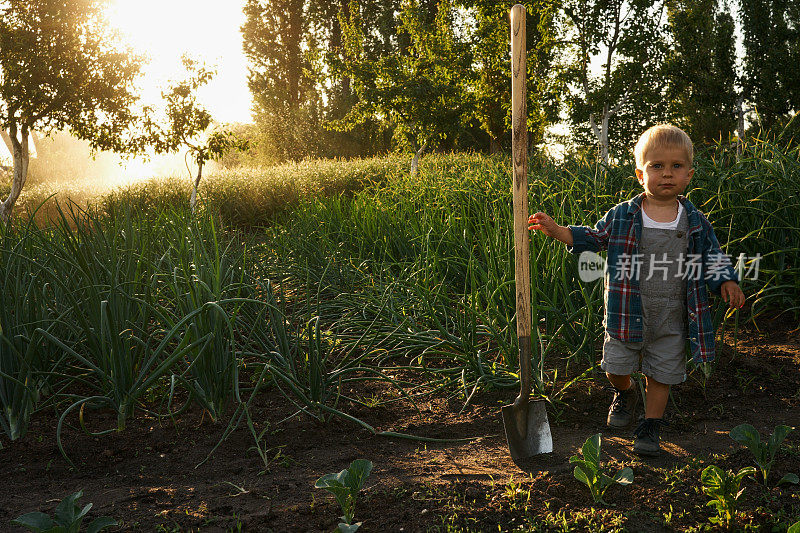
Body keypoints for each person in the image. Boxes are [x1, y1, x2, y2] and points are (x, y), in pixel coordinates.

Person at [528, 124, 745, 456]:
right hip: (627, 310)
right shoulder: (623, 215)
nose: (667, 174)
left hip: (672, 313)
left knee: (662, 373)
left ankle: (650, 425)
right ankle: (624, 391)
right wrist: (557, 230)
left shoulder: (695, 221)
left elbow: (712, 256)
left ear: (688, 174)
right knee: (616, 366)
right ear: (641, 174)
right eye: (657, 166)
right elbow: (594, 238)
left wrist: (727, 280)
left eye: (676, 166)